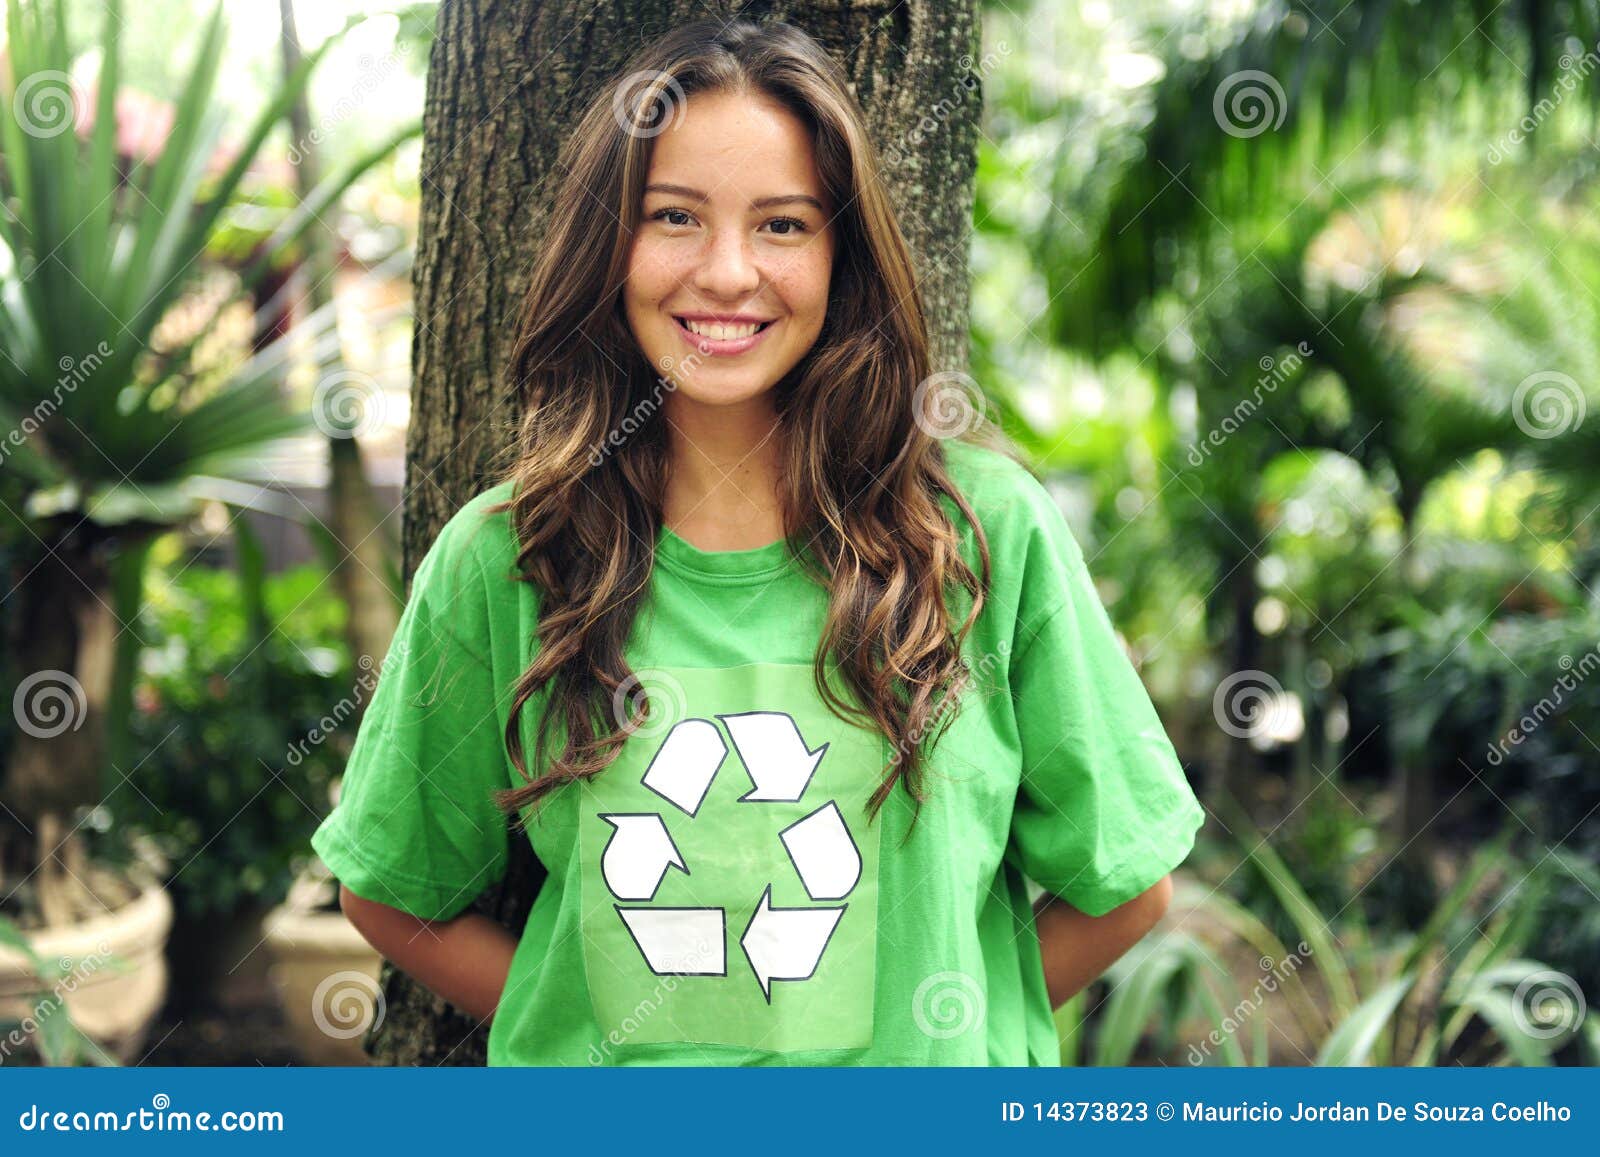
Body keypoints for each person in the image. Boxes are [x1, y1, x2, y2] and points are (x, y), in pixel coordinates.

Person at [311, 16, 1203, 1067]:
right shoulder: (508, 556)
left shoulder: (980, 534)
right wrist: (578, 1032)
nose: (728, 272)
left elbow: (1128, 886)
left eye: (782, 224)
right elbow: (386, 888)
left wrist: (954, 1019)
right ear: (609, 241)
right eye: (674, 216)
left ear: (842, 254)